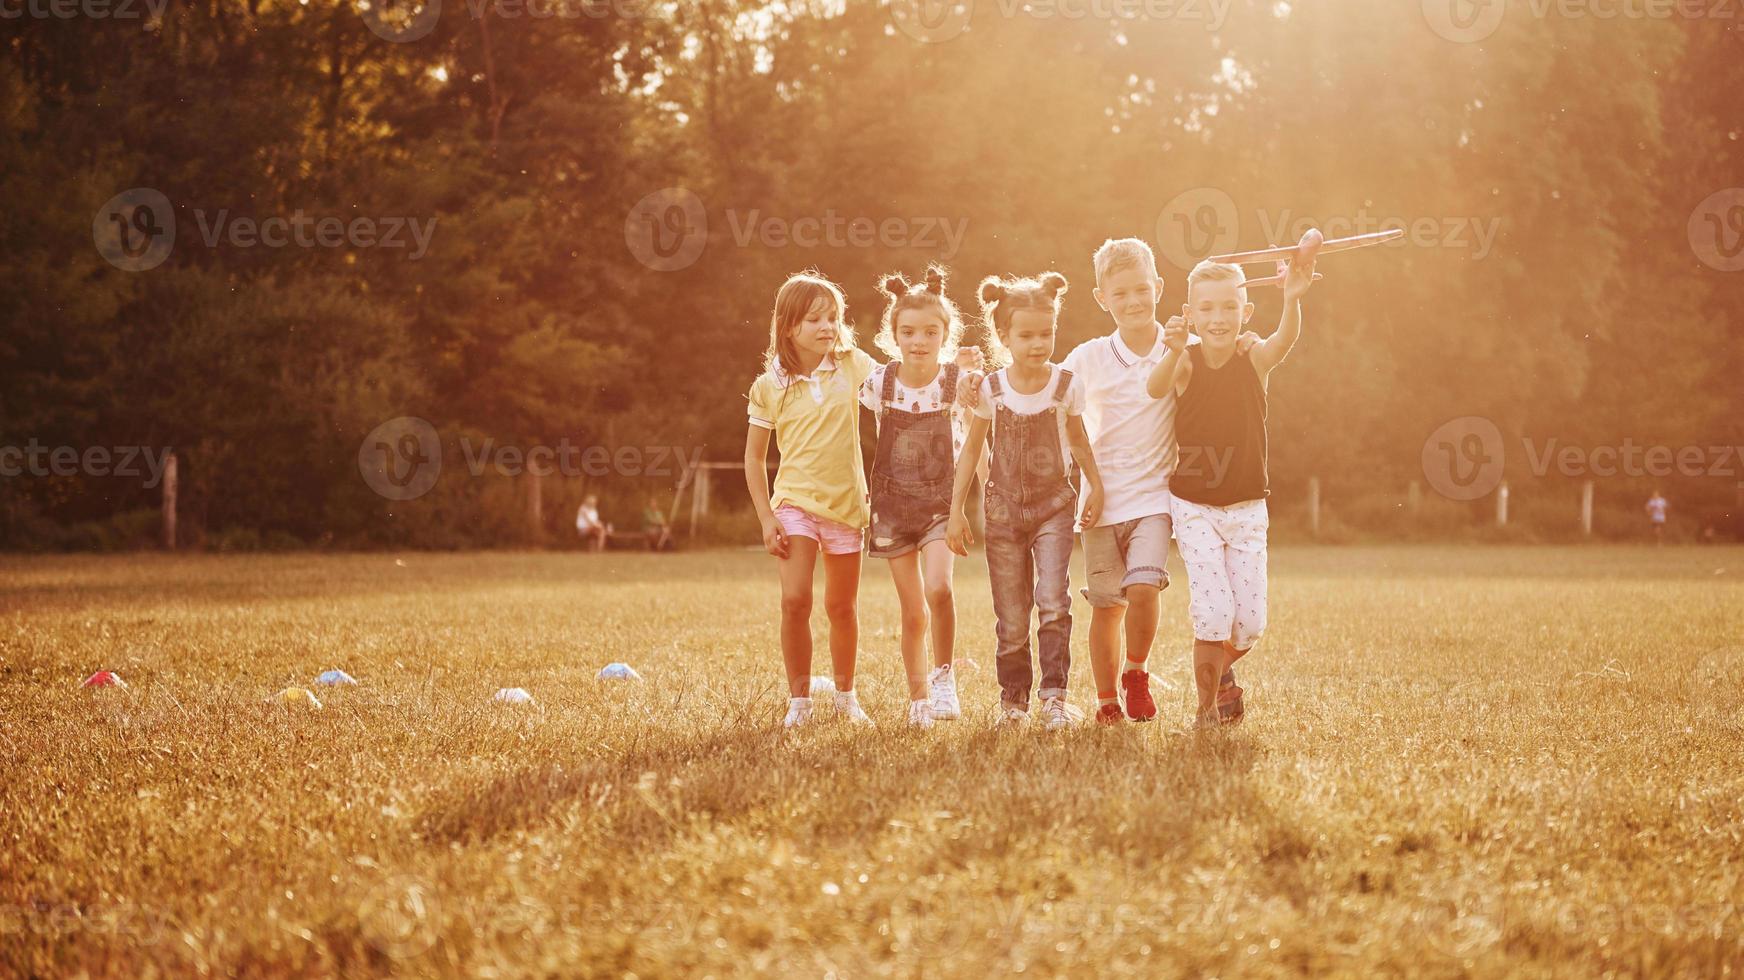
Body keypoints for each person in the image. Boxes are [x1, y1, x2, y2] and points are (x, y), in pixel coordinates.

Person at [1147, 251, 1316, 727]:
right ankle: (1205, 712)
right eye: (1207, 308)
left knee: (1250, 625)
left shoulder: (1253, 358)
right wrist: (1173, 347)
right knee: (1214, 614)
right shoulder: (1184, 361)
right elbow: (1155, 389)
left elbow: (1284, 341)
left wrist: (1293, 299)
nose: (1218, 318)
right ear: (1191, 314)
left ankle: (1218, 677)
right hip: (1194, 506)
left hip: (1247, 509)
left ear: (1245, 313)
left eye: (1228, 308)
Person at [946, 272, 1105, 731]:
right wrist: (956, 511)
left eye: (1046, 332)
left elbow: (1077, 438)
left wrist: (1095, 484)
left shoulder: (1065, 385)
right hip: (1002, 514)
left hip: (1054, 506)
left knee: (1054, 600)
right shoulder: (990, 390)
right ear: (1003, 335)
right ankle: (1013, 703)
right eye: (1027, 335)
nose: (1038, 343)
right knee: (1012, 615)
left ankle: (1055, 698)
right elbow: (972, 449)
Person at [744, 270, 880, 728]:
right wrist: (767, 518)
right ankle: (799, 703)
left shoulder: (853, 366)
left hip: (846, 509)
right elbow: (753, 460)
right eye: (815, 319)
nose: (827, 327)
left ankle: (846, 698)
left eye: (833, 318)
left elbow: (900, 390)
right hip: (794, 506)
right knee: (795, 600)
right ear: (788, 327)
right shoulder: (770, 386)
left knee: (842, 608)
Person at [859, 265, 970, 728]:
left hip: (941, 503)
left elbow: (978, 435)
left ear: (945, 333)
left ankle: (944, 679)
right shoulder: (878, 383)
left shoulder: (957, 382)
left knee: (939, 588)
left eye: (929, 331)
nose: (918, 340)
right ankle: (918, 699)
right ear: (894, 335)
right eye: (908, 331)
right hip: (891, 506)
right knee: (911, 608)